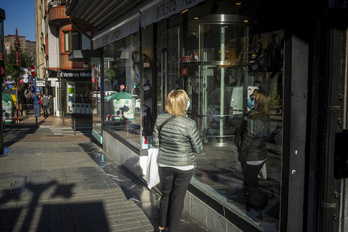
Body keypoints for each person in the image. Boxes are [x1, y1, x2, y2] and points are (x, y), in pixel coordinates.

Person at [152, 89, 203, 232]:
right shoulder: (189, 123)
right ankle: (173, 229)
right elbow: (198, 149)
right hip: (184, 165)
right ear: (184, 104)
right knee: (177, 198)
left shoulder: (160, 119)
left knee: (165, 194)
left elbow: (155, 144)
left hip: (164, 163)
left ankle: (161, 226)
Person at [238, 89, 270, 209]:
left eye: (252, 98)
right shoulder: (262, 116)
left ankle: (255, 206)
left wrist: (241, 155)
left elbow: (248, 139)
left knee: (251, 183)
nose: (249, 100)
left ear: (259, 102)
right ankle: (252, 203)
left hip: (252, 156)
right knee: (251, 182)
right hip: (258, 155)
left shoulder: (254, 118)